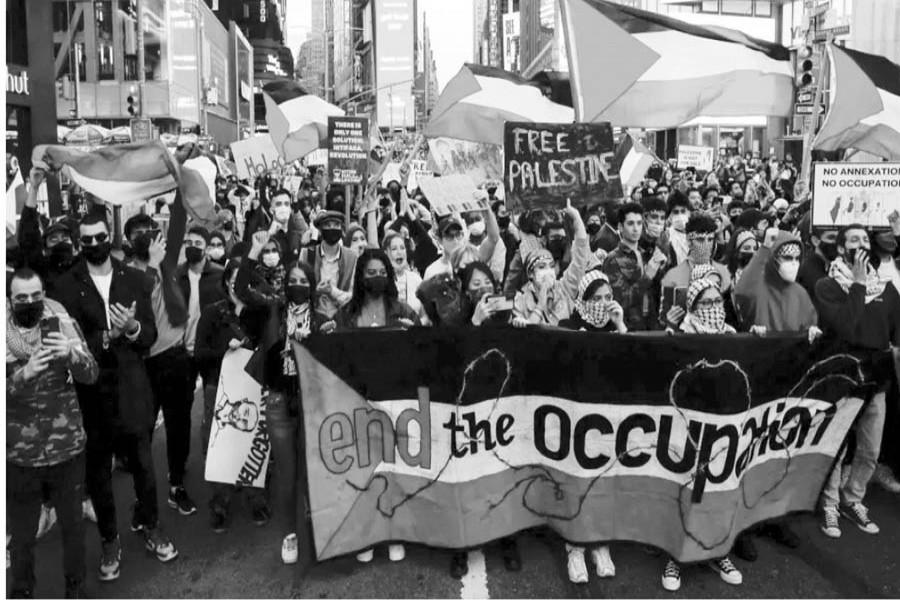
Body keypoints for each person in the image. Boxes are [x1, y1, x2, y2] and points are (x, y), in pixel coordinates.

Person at [52, 212, 178, 581]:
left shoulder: (135, 278)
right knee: (99, 475)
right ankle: (110, 540)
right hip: (91, 394)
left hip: (133, 386)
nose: (94, 244)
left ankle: (152, 527)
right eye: (86, 239)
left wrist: (134, 327)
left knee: (144, 465)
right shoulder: (63, 286)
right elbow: (67, 340)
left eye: (99, 237)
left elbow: (151, 334)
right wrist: (108, 336)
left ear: (111, 237)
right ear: (79, 242)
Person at [236, 231, 328, 565]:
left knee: (313, 467)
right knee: (287, 471)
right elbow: (240, 290)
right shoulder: (273, 309)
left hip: (311, 404)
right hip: (277, 401)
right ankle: (290, 531)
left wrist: (312, 341)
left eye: (304, 280)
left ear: (312, 286)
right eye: (293, 279)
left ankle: (316, 523)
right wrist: (254, 251)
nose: (297, 285)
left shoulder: (321, 321)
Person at [7, 268, 99, 599]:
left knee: (73, 530)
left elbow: (91, 374)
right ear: (10, 300)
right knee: (22, 538)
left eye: (36, 296)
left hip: (67, 449)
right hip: (21, 455)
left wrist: (72, 355)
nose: (30, 303)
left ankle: (75, 591)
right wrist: (23, 375)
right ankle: (21, 592)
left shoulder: (63, 322)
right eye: (21, 298)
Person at [816, 224, 900, 539]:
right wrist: (859, 285)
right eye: (854, 241)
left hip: (876, 382)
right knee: (837, 447)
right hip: (844, 379)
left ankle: (854, 498)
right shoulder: (828, 286)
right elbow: (847, 328)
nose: (862, 244)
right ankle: (830, 504)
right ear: (841, 250)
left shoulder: (888, 289)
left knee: (869, 450)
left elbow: (895, 333)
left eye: (865, 239)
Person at [123, 215, 199, 517]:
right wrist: (152, 265)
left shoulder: (169, 260)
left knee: (180, 426)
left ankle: (176, 484)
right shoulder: (125, 273)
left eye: (149, 230)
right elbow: (138, 304)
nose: (145, 236)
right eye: (137, 233)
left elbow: (180, 217)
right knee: (143, 432)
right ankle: (144, 499)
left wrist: (175, 172)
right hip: (144, 364)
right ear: (129, 240)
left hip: (176, 358)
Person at [195, 258, 271, 532]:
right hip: (220, 388)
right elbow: (199, 354)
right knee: (219, 447)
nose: (240, 285)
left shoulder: (260, 313)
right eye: (236, 278)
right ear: (226, 280)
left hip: (252, 388)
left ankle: (256, 498)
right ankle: (219, 504)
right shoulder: (212, 313)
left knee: (254, 442)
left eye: (246, 280)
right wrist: (225, 353)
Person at [513, 201, 590, 327]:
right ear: (530, 274)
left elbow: (580, 255)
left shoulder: (565, 289)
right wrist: (541, 302)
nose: (548, 271)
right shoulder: (520, 302)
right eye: (541, 267)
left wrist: (576, 217)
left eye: (551, 266)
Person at [659, 213, 732, 330]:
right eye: (700, 239)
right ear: (688, 241)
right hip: (684, 341)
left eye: (710, 239)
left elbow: (731, 318)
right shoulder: (673, 276)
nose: (706, 245)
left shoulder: (723, 273)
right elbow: (663, 320)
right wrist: (669, 321)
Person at [603, 203, 668, 331]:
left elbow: (658, 294)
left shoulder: (646, 254)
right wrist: (647, 276)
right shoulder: (613, 259)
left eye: (639, 223)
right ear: (621, 227)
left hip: (652, 325)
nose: (636, 228)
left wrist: (661, 270)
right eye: (630, 223)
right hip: (629, 328)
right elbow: (620, 302)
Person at [334, 248, 420, 330]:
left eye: (382, 272)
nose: (378, 276)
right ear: (361, 277)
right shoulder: (345, 314)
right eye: (372, 273)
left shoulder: (403, 311)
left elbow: (423, 340)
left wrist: (413, 332)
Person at [299, 210, 357, 319]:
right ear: (320, 230)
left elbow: (354, 295)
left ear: (342, 229)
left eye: (336, 225)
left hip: (342, 319)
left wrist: (332, 291)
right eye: (327, 226)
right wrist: (316, 292)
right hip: (312, 318)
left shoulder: (352, 257)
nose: (332, 229)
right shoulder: (306, 254)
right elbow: (299, 291)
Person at [383, 231, 423, 315]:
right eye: (394, 249)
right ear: (385, 254)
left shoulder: (416, 279)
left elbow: (426, 315)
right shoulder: (381, 280)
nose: (399, 252)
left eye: (402, 248)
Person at [798, 228, 839, 305]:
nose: (836, 242)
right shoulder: (808, 271)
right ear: (815, 241)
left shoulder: (832, 265)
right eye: (831, 237)